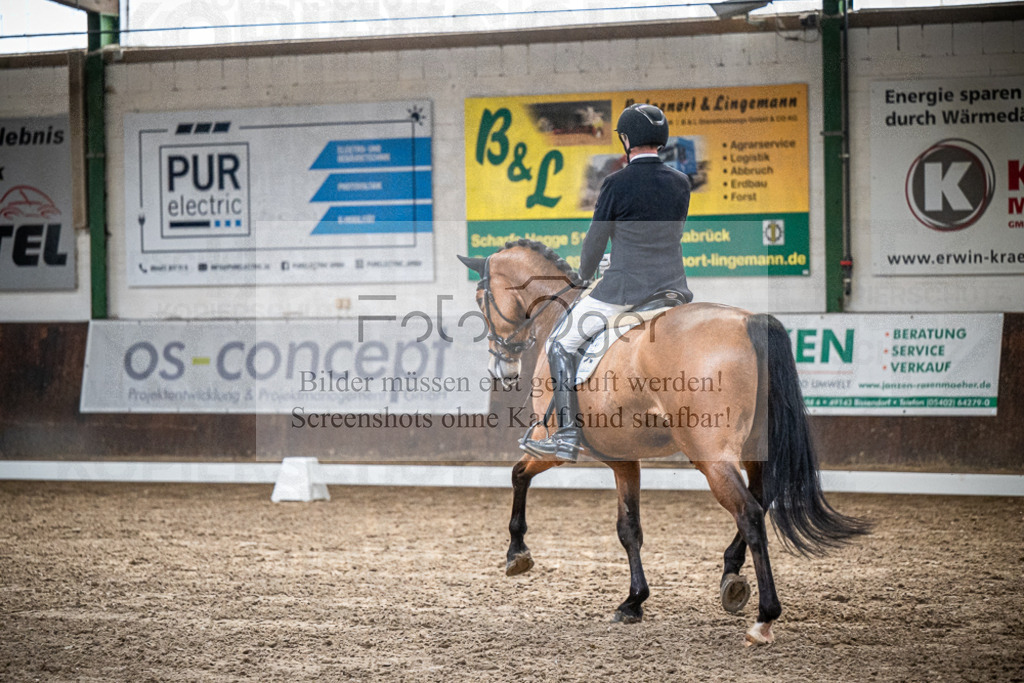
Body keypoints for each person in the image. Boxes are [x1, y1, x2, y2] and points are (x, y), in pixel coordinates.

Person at [521, 103, 693, 462]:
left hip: (624, 291)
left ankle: (567, 434)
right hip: (672, 289)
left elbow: (595, 240)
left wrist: (585, 274)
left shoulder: (615, 183)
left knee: (560, 343)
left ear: (627, 139)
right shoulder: (681, 183)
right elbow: (661, 237)